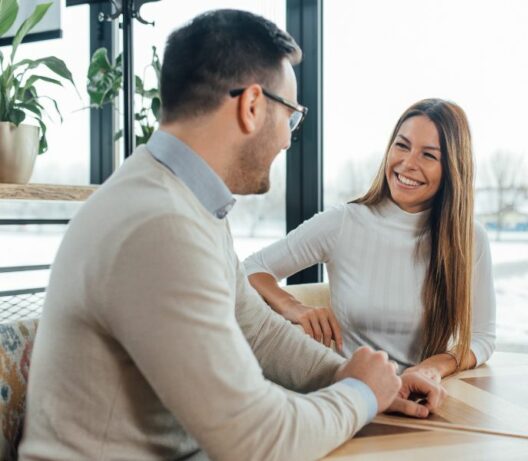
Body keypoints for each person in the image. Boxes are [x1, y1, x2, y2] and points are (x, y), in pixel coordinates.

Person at [19, 10, 444, 461]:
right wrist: (360, 392)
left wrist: (359, 379)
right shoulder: (158, 224)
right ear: (252, 106)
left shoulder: (183, 201)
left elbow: (257, 330)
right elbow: (256, 439)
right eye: (292, 118)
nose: (286, 140)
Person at [244, 98, 496, 384]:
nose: (408, 163)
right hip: (347, 395)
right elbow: (251, 269)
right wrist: (293, 306)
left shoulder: (470, 239)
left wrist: (431, 368)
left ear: (452, 168)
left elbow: (482, 338)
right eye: (402, 145)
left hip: (423, 395)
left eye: (428, 155)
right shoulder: (343, 222)